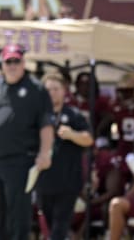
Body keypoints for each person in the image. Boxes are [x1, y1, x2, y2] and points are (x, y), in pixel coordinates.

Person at [0, 44, 54, 240]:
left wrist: (45, 153)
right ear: (2, 64)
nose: (12, 65)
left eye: (16, 61)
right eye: (9, 61)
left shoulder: (36, 89)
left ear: (23, 63)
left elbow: (46, 124)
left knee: (18, 215)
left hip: (20, 161)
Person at [36, 73, 93, 240]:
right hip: (43, 180)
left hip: (68, 180)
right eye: (48, 89)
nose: (52, 93)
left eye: (56, 89)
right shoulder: (37, 115)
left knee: (60, 225)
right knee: (49, 223)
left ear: (64, 91)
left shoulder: (74, 114)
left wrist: (72, 135)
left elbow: (88, 139)